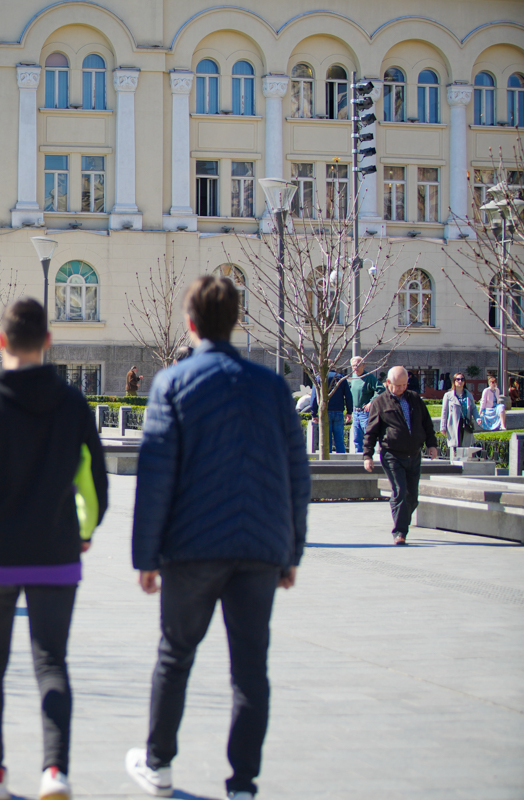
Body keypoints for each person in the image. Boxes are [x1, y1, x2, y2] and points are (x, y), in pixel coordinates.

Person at [126, 275, 309, 800]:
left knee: (175, 654)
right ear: (236, 322)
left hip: (193, 548)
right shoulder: (272, 386)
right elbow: (297, 472)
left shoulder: (174, 384)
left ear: (190, 324)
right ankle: (243, 785)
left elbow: (156, 475)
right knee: (251, 669)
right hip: (259, 548)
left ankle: (158, 764)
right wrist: (291, 549)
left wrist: (146, 556)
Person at [0, 297, 108, 800]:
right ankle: (55, 771)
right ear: (48, 343)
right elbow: (95, 483)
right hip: (57, 554)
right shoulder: (73, 403)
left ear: (0, 343)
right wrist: (85, 530)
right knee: (51, 661)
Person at [363, 366, 438, 546]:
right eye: (398, 385)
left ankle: (400, 515)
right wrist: (367, 455)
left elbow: (426, 423)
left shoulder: (414, 399)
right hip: (392, 455)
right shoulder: (380, 402)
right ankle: (400, 532)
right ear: (388, 383)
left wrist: (432, 444)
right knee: (400, 492)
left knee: (412, 497)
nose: (402, 388)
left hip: (414, 454)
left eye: (405, 384)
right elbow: (371, 431)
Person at [309, 369, 353, 453]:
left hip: (325, 412)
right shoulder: (341, 378)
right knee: (340, 439)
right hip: (339, 412)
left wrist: (314, 414)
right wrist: (349, 411)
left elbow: (314, 397)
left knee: (326, 440)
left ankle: (327, 463)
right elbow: (348, 396)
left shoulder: (319, 378)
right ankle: (342, 463)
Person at [347, 356, 384, 454]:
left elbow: (381, 389)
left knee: (368, 438)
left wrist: (371, 402)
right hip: (355, 412)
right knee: (357, 439)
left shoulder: (369, 377)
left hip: (365, 413)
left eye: (358, 365)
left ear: (363, 365)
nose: (355, 367)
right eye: (353, 365)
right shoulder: (353, 377)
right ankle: (359, 461)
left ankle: (369, 458)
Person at [439, 372, 476, 457]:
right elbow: (444, 412)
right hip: (454, 423)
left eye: (462, 379)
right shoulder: (448, 395)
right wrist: (443, 427)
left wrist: (478, 418)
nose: (460, 381)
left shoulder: (468, 395)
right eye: (458, 379)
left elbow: (474, 408)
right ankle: (455, 462)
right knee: (455, 445)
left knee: (465, 445)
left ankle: (464, 463)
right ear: (454, 381)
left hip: (465, 423)